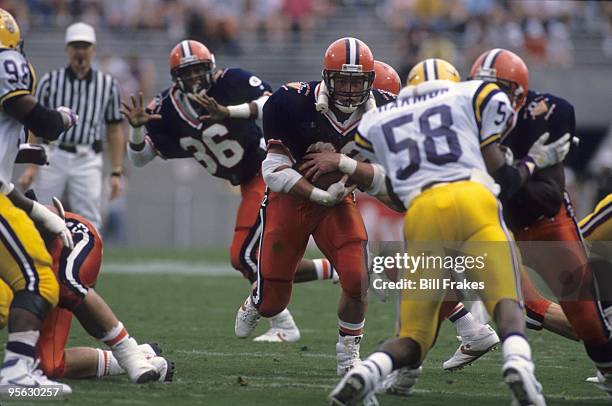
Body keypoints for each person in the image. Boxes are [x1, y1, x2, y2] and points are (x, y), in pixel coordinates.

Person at [327, 49, 571, 405]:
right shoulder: (472, 94)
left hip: (423, 213)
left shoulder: (380, 120)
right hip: (473, 198)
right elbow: (503, 175)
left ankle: (370, 371)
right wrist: (535, 161)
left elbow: (393, 191)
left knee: (413, 335)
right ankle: (519, 365)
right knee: (508, 302)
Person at [122, 39, 334, 343]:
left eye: (199, 70)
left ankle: (284, 322)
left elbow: (273, 104)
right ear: (175, 77)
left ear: (211, 68)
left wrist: (229, 112)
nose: (195, 78)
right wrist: (136, 129)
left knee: (246, 256)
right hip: (247, 181)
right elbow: (139, 159)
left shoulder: (232, 81)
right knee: (247, 257)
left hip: (267, 170)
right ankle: (325, 278)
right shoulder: (167, 109)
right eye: (187, 72)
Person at [234, 37, 395, 376]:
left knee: (356, 278)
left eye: (358, 81)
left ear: (370, 80)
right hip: (291, 200)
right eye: (343, 80)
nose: (351, 90)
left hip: (338, 201)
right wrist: (318, 194)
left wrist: (345, 166)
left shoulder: (387, 110)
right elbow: (273, 171)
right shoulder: (291, 102)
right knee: (272, 304)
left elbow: (390, 178)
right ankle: (257, 298)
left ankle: (348, 354)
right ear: (326, 78)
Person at [471, 48, 612, 395]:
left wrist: (509, 175)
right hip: (487, 218)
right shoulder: (462, 114)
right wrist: (521, 168)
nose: (491, 99)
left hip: (543, 223)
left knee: (587, 320)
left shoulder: (548, 113)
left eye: (500, 89)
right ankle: (409, 363)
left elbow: (546, 195)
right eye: (483, 89)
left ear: (518, 92)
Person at [0, 8, 76, 392]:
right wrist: (61, 118)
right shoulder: (7, 60)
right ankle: (16, 371)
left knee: (3, 297)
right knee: (39, 278)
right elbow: (38, 119)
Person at [18, 22, 125, 230]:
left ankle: (89, 263)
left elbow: (114, 130)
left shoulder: (107, 85)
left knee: (90, 221)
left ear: (93, 50)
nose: (80, 51)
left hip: (87, 158)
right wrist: (31, 165)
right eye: (76, 46)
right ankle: (40, 262)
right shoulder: (50, 81)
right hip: (52, 155)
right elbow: (35, 124)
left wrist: (116, 172)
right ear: (67, 49)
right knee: (41, 213)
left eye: (85, 46)